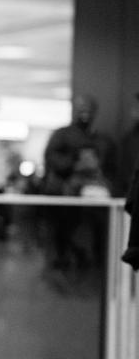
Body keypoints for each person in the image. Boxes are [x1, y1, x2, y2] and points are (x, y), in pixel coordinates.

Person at [42, 94, 116, 287]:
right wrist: (74, 163)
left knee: (96, 237)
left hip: (96, 200)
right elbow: (52, 158)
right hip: (68, 200)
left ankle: (92, 270)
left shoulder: (102, 139)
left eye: (88, 107)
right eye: (80, 107)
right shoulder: (62, 135)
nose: (85, 111)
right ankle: (63, 268)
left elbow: (113, 167)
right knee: (65, 236)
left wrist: (97, 170)